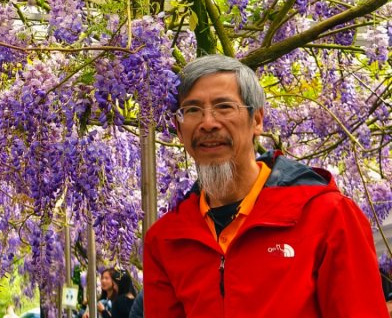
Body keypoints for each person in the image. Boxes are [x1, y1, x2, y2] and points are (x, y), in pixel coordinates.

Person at [144, 54, 387, 316]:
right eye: (191, 110)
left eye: (224, 107)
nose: (208, 123)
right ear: (178, 130)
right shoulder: (166, 239)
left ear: (257, 120)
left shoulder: (328, 215)